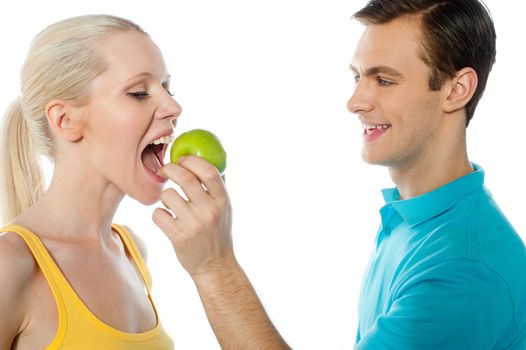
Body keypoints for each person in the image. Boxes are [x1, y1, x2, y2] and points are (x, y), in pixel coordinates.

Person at [152, 0, 526, 349]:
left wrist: (212, 266)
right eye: (357, 77)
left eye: (384, 80)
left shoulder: (461, 273)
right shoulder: (418, 219)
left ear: (456, 90)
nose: (355, 102)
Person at [0, 14, 182, 349]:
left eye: (167, 88)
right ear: (65, 119)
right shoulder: (8, 265)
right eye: (139, 92)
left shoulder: (131, 251)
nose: (173, 107)